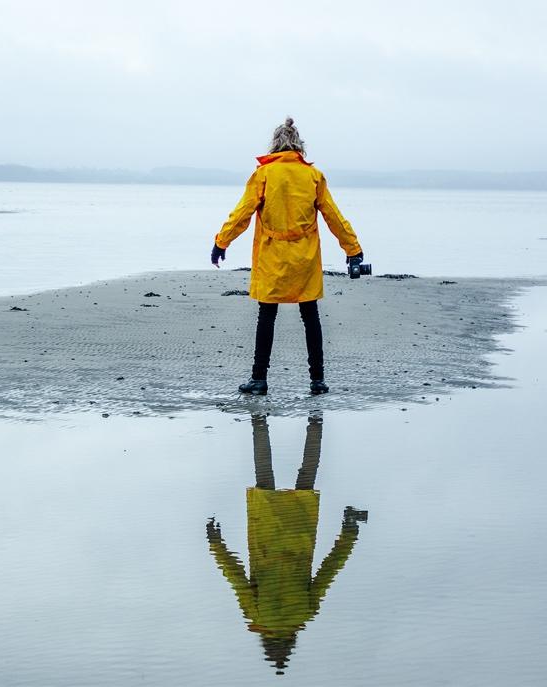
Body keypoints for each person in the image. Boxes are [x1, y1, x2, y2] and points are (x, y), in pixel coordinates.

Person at [211, 117, 365, 396]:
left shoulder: (263, 175)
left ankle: (259, 379)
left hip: (272, 257)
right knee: (311, 317)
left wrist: (222, 242)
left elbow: (242, 213)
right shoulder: (313, 176)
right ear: (298, 146)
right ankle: (317, 380)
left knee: (266, 317)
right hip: (304, 258)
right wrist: (353, 250)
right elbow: (333, 216)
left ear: (274, 146)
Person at [206, 414, 365, 675]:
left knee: (307, 475)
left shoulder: (304, 614)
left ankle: (316, 421)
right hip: (265, 534)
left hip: (298, 533)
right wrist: (216, 543)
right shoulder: (257, 616)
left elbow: (330, 569)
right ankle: (259, 420)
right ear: (265, 642)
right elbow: (234, 577)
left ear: (292, 641)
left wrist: (349, 533)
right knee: (264, 472)